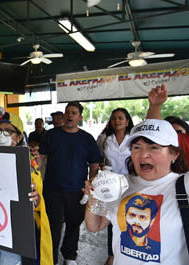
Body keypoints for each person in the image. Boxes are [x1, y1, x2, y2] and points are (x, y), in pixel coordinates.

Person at [84, 117, 189, 264]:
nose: (143, 154)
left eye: (154, 147)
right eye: (137, 147)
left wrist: (155, 105)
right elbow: (94, 226)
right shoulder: (120, 184)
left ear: (174, 154)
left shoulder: (185, 184)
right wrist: (93, 199)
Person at [0, 112, 53, 265]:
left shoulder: (28, 164)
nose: (2, 135)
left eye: (8, 131)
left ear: (19, 137)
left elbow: (37, 200)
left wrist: (35, 199)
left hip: (14, 232)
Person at [39, 102, 101, 265]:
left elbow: (94, 164)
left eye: (74, 113)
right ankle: (49, 259)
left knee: (74, 224)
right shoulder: (51, 135)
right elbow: (41, 158)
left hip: (78, 191)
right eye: (67, 112)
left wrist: (90, 184)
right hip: (53, 190)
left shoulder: (87, 139)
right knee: (52, 227)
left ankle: (69, 256)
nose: (69, 115)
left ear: (80, 117)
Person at [96, 108, 134, 265]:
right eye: (114, 119)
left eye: (120, 118)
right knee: (112, 220)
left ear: (127, 121)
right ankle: (112, 255)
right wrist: (101, 168)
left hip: (131, 184)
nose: (117, 121)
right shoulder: (104, 138)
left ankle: (130, 252)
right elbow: (97, 159)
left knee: (130, 218)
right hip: (111, 186)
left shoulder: (134, 138)